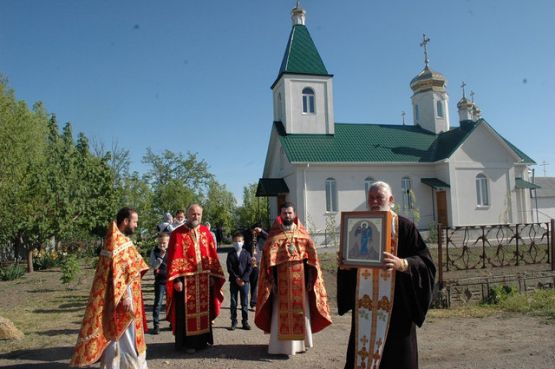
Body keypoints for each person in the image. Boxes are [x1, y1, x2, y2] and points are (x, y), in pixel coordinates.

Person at [338, 181, 436, 369]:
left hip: (397, 308)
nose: (375, 201)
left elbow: (426, 264)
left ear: (391, 200)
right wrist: (346, 267)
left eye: (379, 197)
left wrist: (403, 264)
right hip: (365, 307)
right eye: (371, 198)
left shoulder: (405, 227)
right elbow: (353, 262)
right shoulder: (358, 225)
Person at [70, 207, 149, 369]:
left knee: (116, 332)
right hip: (122, 298)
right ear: (125, 221)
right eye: (134, 222)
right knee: (124, 334)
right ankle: (128, 365)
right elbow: (119, 274)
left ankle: (115, 364)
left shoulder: (114, 240)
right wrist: (126, 297)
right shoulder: (119, 242)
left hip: (118, 296)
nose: (136, 226)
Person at [254, 202, 332, 355]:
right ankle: (280, 346)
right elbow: (268, 263)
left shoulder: (303, 234)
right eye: (284, 213)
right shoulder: (274, 236)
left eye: (290, 213)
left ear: (294, 215)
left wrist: (311, 279)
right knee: (280, 312)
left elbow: (311, 260)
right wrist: (272, 281)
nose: (287, 216)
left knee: (301, 310)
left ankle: (301, 344)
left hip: (300, 282)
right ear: (280, 215)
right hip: (280, 283)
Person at [166, 204, 226, 354]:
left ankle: (203, 341)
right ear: (187, 214)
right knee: (184, 314)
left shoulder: (206, 232)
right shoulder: (177, 234)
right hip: (185, 282)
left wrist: (213, 275)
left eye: (199, 214)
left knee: (204, 311)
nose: (196, 217)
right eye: (193, 214)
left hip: (204, 280)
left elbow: (212, 256)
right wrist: (176, 280)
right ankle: (186, 344)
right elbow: (172, 259)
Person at [226, 231, 252, 330]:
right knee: (233, 302)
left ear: (243, 242)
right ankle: (234, 321)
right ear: (233, 242)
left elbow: (250, 267)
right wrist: (236, 278)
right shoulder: (230, 254)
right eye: (235, 241)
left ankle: (245, 321)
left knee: (244, 302)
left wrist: (244, 279)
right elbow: (229, 268)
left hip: (245, 282)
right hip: (234, 281)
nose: (238, 243)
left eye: (239, 241)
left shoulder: (247, 253)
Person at [149, 232, 169, 335]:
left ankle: (172, 322)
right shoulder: (155, 251)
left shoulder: (171, 250)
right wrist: (160, 257)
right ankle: (156, 324)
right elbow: (154, 266)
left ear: (168, 242)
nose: (162, 245)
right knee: (158, 303)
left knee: (171, 303)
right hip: (160, 281)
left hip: (170, 280)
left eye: (164, 243)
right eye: (160, 243)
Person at [248, 224, 268, 310]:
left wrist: (262, 232)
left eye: (257, 230)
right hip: (251, 263)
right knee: (254, 283)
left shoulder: (264, 236)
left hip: (262, 262)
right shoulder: (249, 237)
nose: (255, 231)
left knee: (262, 283)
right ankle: (253, 303)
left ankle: (261, 302)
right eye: (254, 230)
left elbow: (270, 237)